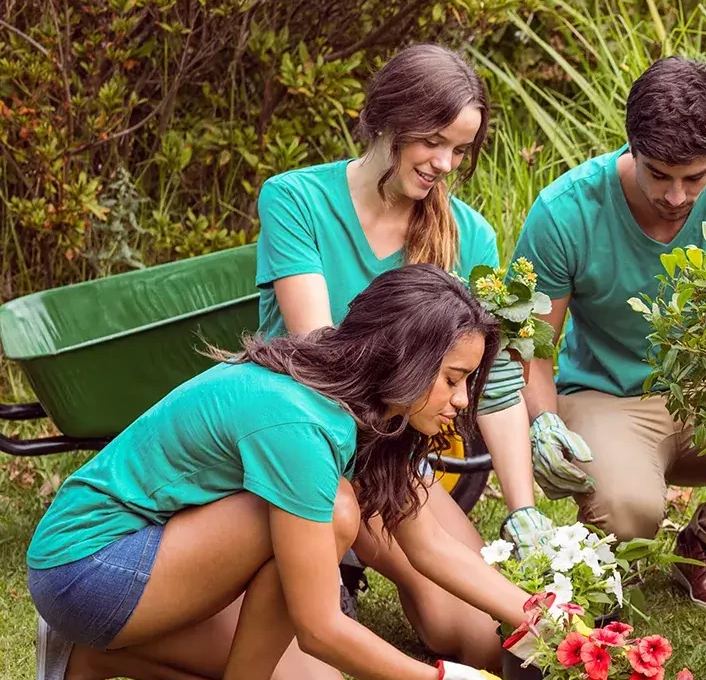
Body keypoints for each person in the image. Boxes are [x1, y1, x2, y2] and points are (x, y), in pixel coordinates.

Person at [29, 265, 535, 680]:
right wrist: (440, 678)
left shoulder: (372, 407)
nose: (463, 400)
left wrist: (547, 615)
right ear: (404, 359)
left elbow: (430, 546)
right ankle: (86, 641)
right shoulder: (300, 421)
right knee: (337, 512)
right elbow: (319, 628)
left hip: (166, 547)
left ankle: (95, 658)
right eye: (453, 379)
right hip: (88, 567)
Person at [255, 43, 544, 667]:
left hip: (394, 457)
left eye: (460, 150)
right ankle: (326, 569)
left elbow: (490, 386)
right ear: (387, 121)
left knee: (473, 635)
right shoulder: (296, 200)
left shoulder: (468, 235)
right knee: (317, 653)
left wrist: (524, 512)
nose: (444, 163)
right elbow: (322, 354)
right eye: (432, 142)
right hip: (312, 444)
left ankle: (348, 567)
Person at [515, 57, 706, 607]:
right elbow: (532, 348)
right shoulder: (564, 211)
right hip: (609, 397)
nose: (676, 197)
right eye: (658, 175)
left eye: (695, 177)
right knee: (630, 514)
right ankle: (621, 542)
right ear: (630, 148)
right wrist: (543, 421)